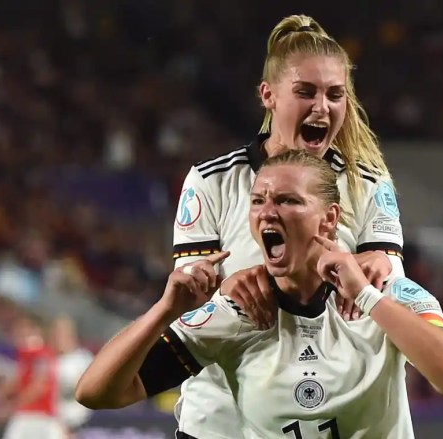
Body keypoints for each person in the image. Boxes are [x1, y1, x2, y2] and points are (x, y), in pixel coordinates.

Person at [76, 150, 443, 438]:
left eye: (287, 201)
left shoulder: (385, 289)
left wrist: (367, 297)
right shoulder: (236, 312)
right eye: (258, 201)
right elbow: (97, 392)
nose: (267, 212)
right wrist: (164, 310)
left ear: (330, 219)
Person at [169, 14, 406, 439]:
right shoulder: (212, 181)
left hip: (328, 419)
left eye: (335, 94)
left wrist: (380, 267)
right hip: (222, 422)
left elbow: (392, 297)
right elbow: (188, 298)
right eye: (305, 92)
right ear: (268, 95)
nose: (322, 107)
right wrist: (224, 289)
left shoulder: (367, 184)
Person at [2, 314, 65, 439]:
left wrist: (14, 405)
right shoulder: (25, 354)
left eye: (23, 328)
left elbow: (40, 385)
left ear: (36, 330)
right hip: (30, 415)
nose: (18, 332)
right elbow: (18, 382)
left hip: (38, 417)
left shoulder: (40, 353)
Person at [49, 316, 93, 437]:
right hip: (52, 421)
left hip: (78, 422)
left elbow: (85, 388)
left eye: (63, 334)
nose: (59, 338)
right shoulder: (49, 359)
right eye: (57, 334)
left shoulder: (83, 358)